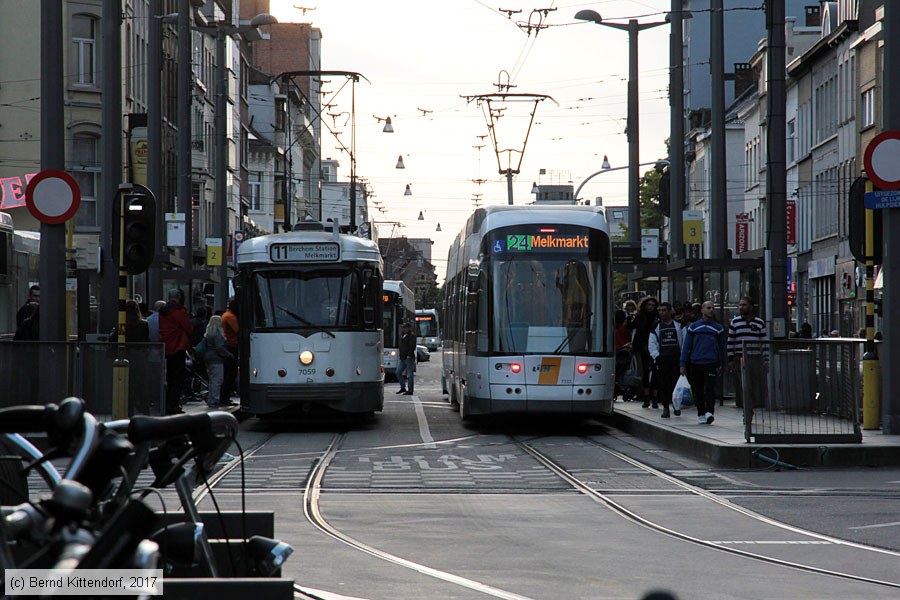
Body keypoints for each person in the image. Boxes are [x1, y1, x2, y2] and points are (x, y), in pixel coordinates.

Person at [680, 300, 726, 425]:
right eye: (708, 308)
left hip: (711, 362)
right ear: (702, 310)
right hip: (696, 362)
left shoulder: (718, 328)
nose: (711, 310)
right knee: (698, 389)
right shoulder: (694, 327)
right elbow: (686, 346)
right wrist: (683, 363)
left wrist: (723, 363)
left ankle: (709, 412)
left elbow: (722, 347)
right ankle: (701, 412)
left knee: (710, 388)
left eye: (712, 308)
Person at [726, 296, 768, 409]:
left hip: (755, 357)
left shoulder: (759, 322)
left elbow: (764, 342)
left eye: (744, 305)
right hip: (740, 358)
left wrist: (766, 359)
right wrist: (730, 359)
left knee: (754, 383)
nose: (741, 307)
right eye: (740, 305)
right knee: (742, 384)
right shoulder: (735, 322)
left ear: (750, 306)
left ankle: (753, 404)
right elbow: (730, 341)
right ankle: (744, 405)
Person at [158, 289, 193, 415]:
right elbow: (188, 328)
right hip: (177, 347)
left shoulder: (163, 312)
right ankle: (173, 405)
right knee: (178, 379)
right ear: (179, 298)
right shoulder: (179, 312)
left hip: (165, 348)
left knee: (169, 377)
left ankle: (167, 403)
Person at [649, 302, 684, 418]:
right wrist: (657, 357)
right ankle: (665, 407)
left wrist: (683, 357)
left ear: (670, 311)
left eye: (664, 310)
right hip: (662, 360)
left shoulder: (679, 325)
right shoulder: (656, 327)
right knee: (664, 384)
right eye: (659, 310)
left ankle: (676, 406)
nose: (661, 313)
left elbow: (684, 341)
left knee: (676, 384)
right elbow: (652, 343)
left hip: (676, 359)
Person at [628, 296, 659, 408]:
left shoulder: (657, 317)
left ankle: (654, 398)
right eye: (649, 305)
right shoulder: (640, 316)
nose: (651, 307)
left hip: (655, 347)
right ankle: (647, 397)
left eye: (653, 305)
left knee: (655, 372)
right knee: (645, 371)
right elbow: (633, 328)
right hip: (643, 347)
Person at [202, 315, 233, 408]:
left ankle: (211, 399)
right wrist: (229, 354)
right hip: (216, 359)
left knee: (212, 380)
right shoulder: (217, 334)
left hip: (208, 358)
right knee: (218, 380)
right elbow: (219, 348)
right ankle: (214, 400)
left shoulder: (208, 334)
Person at [221, 298, 240, 402]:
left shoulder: (226, 315)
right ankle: (225, 397)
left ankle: (224, 396)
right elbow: (238, 330)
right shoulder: (231, 317)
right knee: (231, 372)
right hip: (231, 345)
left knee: (228, 372)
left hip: (228, 345)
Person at [396, 321, 416, 395]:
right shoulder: (402, 335)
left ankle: (410, 390)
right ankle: (403, 387)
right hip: (403, 358)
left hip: (409, 358)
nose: (404, 329)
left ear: (409, 328)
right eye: (403, 327)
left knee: (410, 374)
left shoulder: (411, 336)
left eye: (405, 328)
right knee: (398, 372)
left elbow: (412, 346)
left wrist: (409, 354)